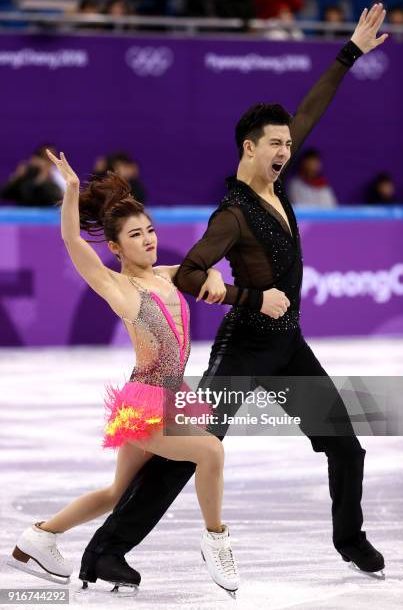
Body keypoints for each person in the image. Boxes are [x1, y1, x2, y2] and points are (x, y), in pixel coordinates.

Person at [78, 3, 388, 587]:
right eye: (273, 144)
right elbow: (191, 273)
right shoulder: (232, 214)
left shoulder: (276, 184)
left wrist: (349, 52)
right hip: (242, 350)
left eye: (288, 145)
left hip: (288, 347)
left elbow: (309, 111)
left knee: (345, 447)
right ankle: (106, 549)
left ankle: (350, 540)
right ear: (248, 147)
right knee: (189, 454)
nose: (284, 151)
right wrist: (249, 298)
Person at [9, 152, 240, 596]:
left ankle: (39, 536)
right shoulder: (119, 287)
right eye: (135, 235)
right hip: (145, 403)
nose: (148, 239)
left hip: (171, 395)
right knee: (210, 450)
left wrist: (209, 271)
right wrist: (72, 192)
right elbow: (75, 245)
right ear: (115, 247)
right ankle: (216, 539)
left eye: (149, 230)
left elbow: (198, 271)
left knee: (117, 493)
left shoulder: (168, 278)